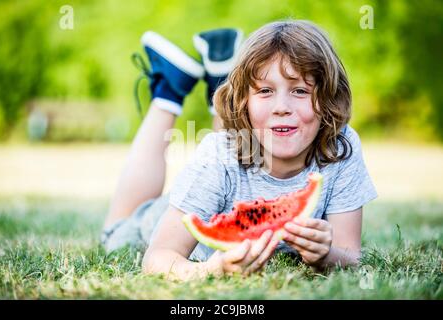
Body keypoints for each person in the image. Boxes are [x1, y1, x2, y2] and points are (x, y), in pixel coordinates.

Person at [102, 20, 377, 281]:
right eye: (266, 91)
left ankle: (219, 78)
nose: (282, 106)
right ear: (243, 101)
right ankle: (168, 90)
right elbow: (158, 257)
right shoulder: (217, 156)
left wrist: (326, 255)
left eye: (300, 91)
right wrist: (212, 269)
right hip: (163, 217)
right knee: (115, 233)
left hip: (222, 176)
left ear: (329, 99)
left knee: (235, 145)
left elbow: (350, 255)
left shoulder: (341, 147)